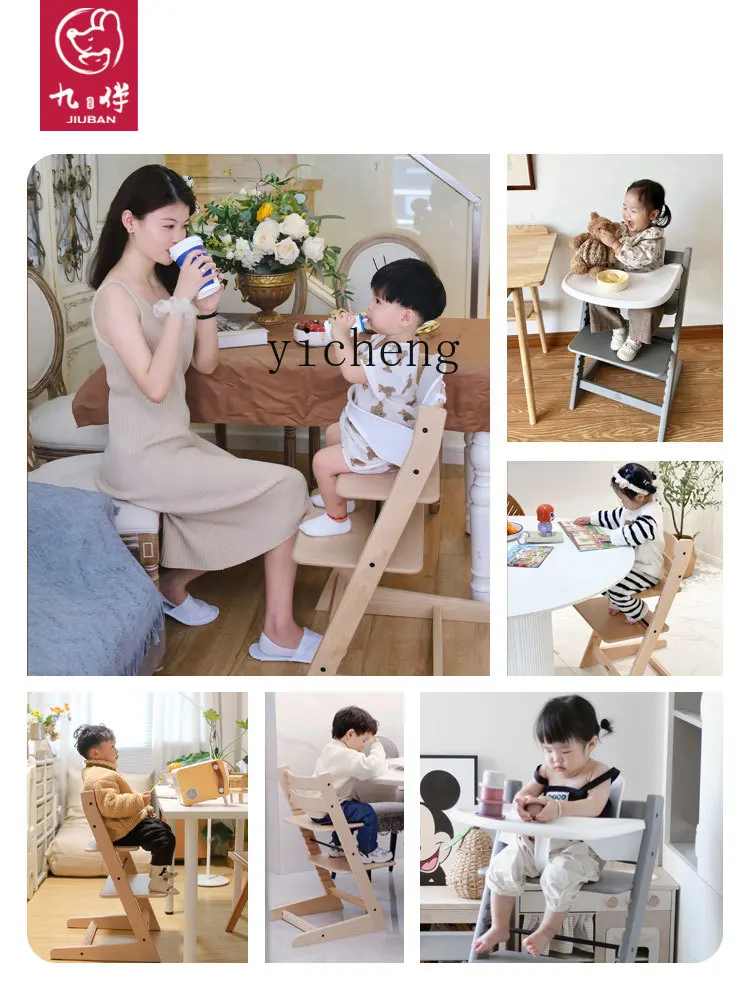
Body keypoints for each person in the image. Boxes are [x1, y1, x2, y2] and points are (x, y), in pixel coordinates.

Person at [88, 164, 320, 663]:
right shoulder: (115, 297)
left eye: (184, 226)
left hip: (175, 444)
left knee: (273, 490)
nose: (180, 237)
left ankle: (171, 585)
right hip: (141, 457)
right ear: (130, 221)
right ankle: (278, 632)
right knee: (288, 486)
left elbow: (206, 364)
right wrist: (179, 303)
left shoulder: (161, 283)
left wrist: (207, 308)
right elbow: (152, 386)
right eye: (168, 225)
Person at [299, 258, 447, 537]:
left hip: (382, 443)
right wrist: (342, 337)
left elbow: (352, 373)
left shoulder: (395, 353)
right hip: (374, 428)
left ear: (405, 317)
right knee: (333, 434)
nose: (369, 307)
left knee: (321, 461)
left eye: (379, 301)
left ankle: (337, 517)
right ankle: (344, 497)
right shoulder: (387, 340)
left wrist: (341, 337)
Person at [473, 696, 619, 958]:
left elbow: (594, 806)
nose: (555, 759)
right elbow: (526, 792)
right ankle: (499, 926)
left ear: (591, 744)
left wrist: (560, 808)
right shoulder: (546, 771)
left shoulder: (597, 772)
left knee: (558, 876)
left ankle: (547, 930)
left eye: (565, 751)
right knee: (503, 863)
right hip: (537, 847)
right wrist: (522, 802)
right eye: (548, 750)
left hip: (578, 852)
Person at [74, 723, 178, 895]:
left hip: (121, 827)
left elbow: (114, 801)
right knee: (163, 837)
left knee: (162, 828)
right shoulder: (100, 777)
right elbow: (111, 806)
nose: (117, 750)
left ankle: (158, 872)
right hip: (120, 831)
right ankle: (158, 881)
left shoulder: (97, 772)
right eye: (113, 746)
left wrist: (142, 806)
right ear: (95, 753)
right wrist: (139, 800)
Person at [589, 179, 678, 362]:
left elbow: (640, 259)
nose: (627, 214)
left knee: (650, 310)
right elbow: (606, 243)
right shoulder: (621, 230)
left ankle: (635, 338)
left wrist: (615, 244)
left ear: (653, 214)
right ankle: (618, 326)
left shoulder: (654, 238)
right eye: (624, 208)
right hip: (620, 281)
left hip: (645, 286)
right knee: (595, 296)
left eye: (634, 210)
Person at [575, 463, 664, 626]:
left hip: (646, 569)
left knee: (616, 589)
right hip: (631, 563)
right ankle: (618, 602)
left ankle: (638, 611)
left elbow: (636, 533)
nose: (621, 502)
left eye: (622, 499)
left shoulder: (651, 515)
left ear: (640, 497)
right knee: (602, 578)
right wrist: (591, 519)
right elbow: (615, 515)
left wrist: (610, 537)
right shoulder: (633, 506)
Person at [309, 706, 393, 863]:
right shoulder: (346, 755)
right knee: (366, 813)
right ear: (350, 734)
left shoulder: (330, 749)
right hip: (328, 810)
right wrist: (377, 746)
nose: (364, 745)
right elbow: (372, 768)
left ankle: (337, 845)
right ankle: (368, 851)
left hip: (317, 809)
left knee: (353, 807)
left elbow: (368, 768)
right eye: (364, 740)